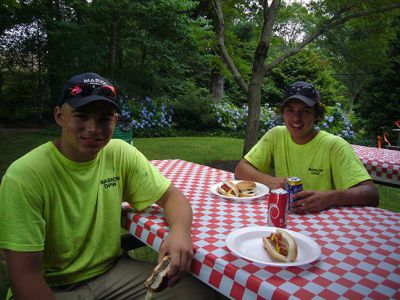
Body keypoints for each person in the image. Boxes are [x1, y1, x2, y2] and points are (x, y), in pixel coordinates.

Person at [0, 73, 217, 299]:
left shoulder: (119, 153)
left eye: (104, 118)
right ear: (59, 116)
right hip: (53, 285)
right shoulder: (25, 176)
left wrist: (180, 232)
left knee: (201, 294)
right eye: (81, 116)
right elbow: (24, 276)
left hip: (112, 272)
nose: (93, 128)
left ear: (115, 120)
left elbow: (173, 197)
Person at [235, 81, 379, 213]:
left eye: (305, 111)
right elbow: (241, 169)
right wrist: (271, 181)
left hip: (324, 223)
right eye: (290, 110)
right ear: (283, 112)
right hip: (286, 215)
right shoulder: (276, 135)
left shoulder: (335, 145)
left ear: (317, 115)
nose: (296, 118)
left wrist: (330, 198)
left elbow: (371, 194)